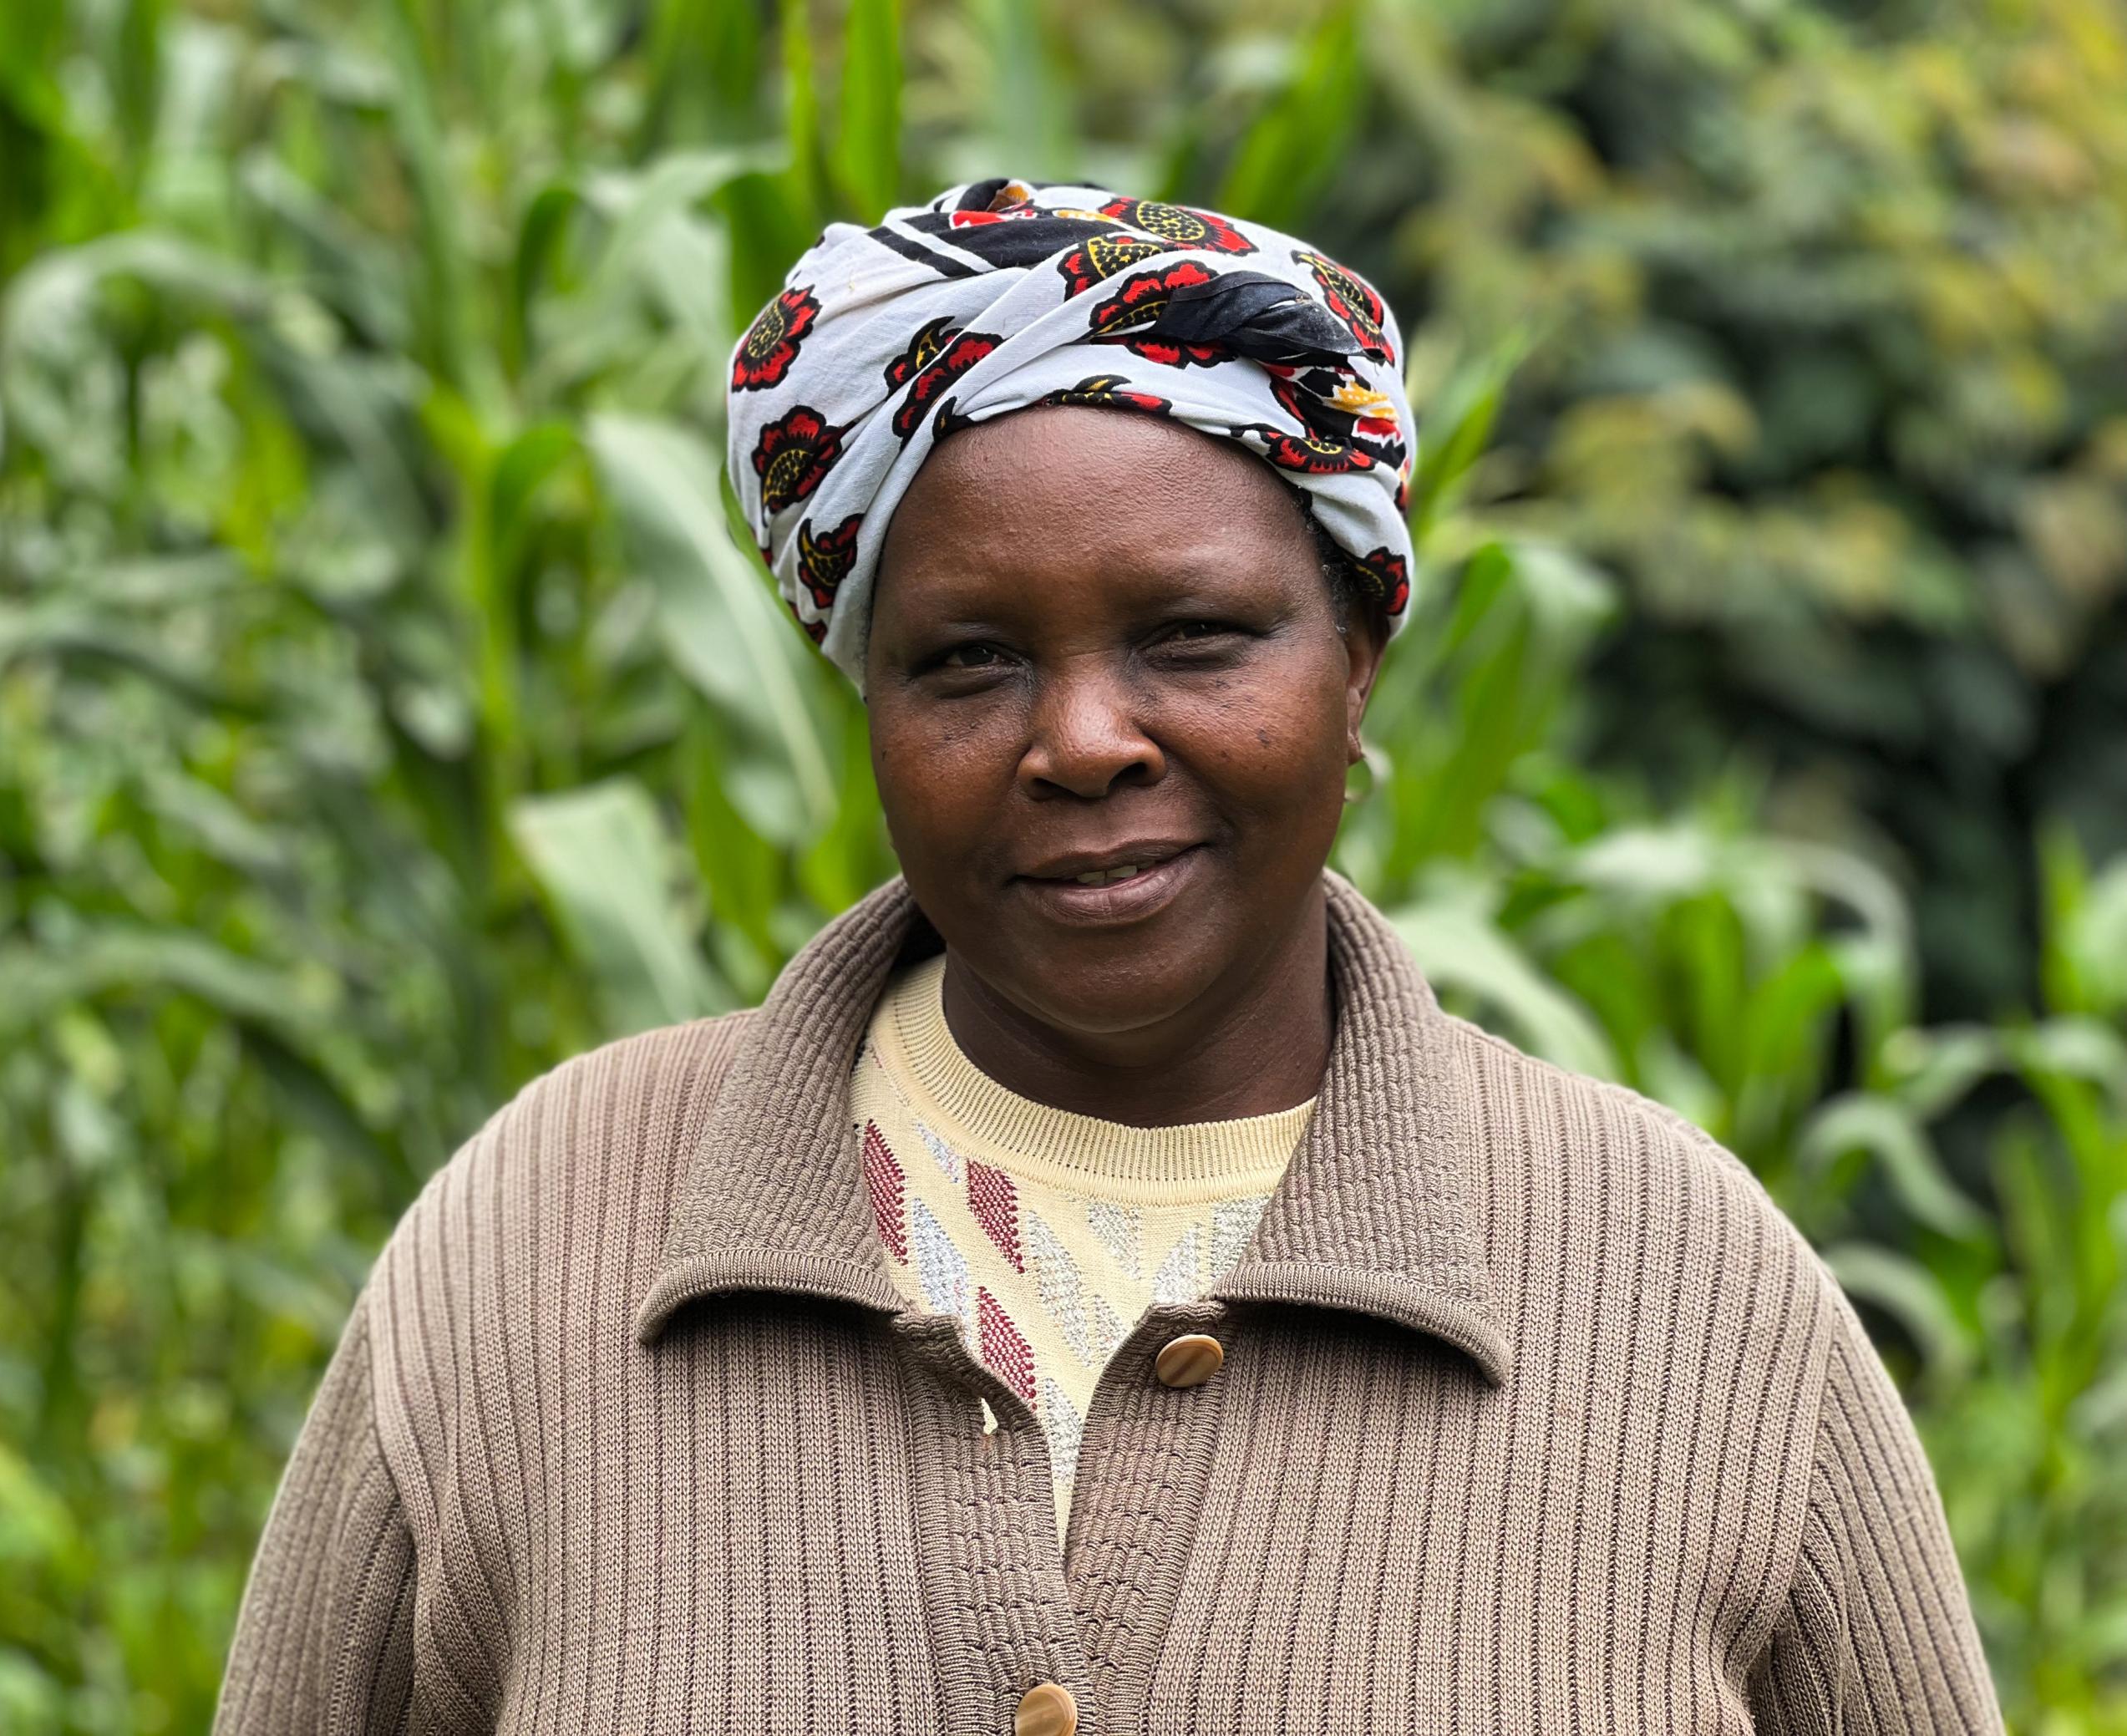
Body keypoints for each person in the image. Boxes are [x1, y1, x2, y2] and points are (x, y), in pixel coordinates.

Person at [213, 179, 2003, 1734]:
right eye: (970, 661)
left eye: (1196, 636)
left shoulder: (1692, 1306)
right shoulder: (531, 1252)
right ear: (865, 700)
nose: (1081, 740)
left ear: (1357, 660)